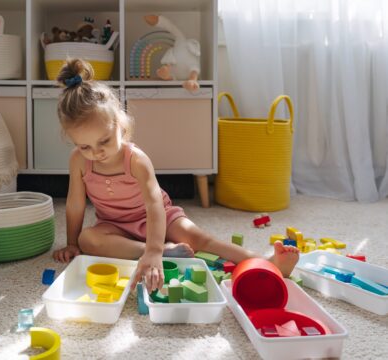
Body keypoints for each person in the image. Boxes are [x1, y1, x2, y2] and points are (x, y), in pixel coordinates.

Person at [52, 58, 300, 293]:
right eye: (85, 146)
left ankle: (267, 263)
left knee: (202, 239)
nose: (96, 153)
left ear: (120, 124)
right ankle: (157, 251)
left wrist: (155, 246)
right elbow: (75, 204)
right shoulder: (79, 160)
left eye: (104, 141)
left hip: (159, 218)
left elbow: (154, 207)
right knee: (89, 240)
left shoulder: (136, 160)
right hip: (115, 226)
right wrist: (72, 242)